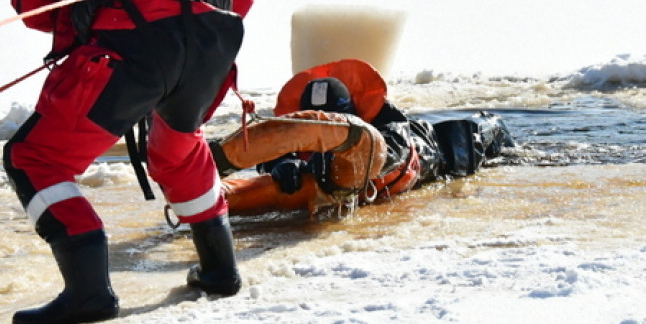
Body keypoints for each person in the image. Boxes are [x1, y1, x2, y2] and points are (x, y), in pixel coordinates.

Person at [3, 0, 253, 324]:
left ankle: (89, 292)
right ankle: (220, 268)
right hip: (204, 51)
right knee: (179, 146)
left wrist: (84, 7)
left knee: (34, 158)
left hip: (124, 53)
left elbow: (32, 9)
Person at [210, 59, 514, 212]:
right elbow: (273, 145)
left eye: (329, 118)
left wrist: (330, 160)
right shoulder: (297, 131)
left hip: (451, 145)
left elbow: (384, 153)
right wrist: (279, 164)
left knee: (495, 140)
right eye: (315, 120)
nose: (321, 127)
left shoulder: (389, 126)